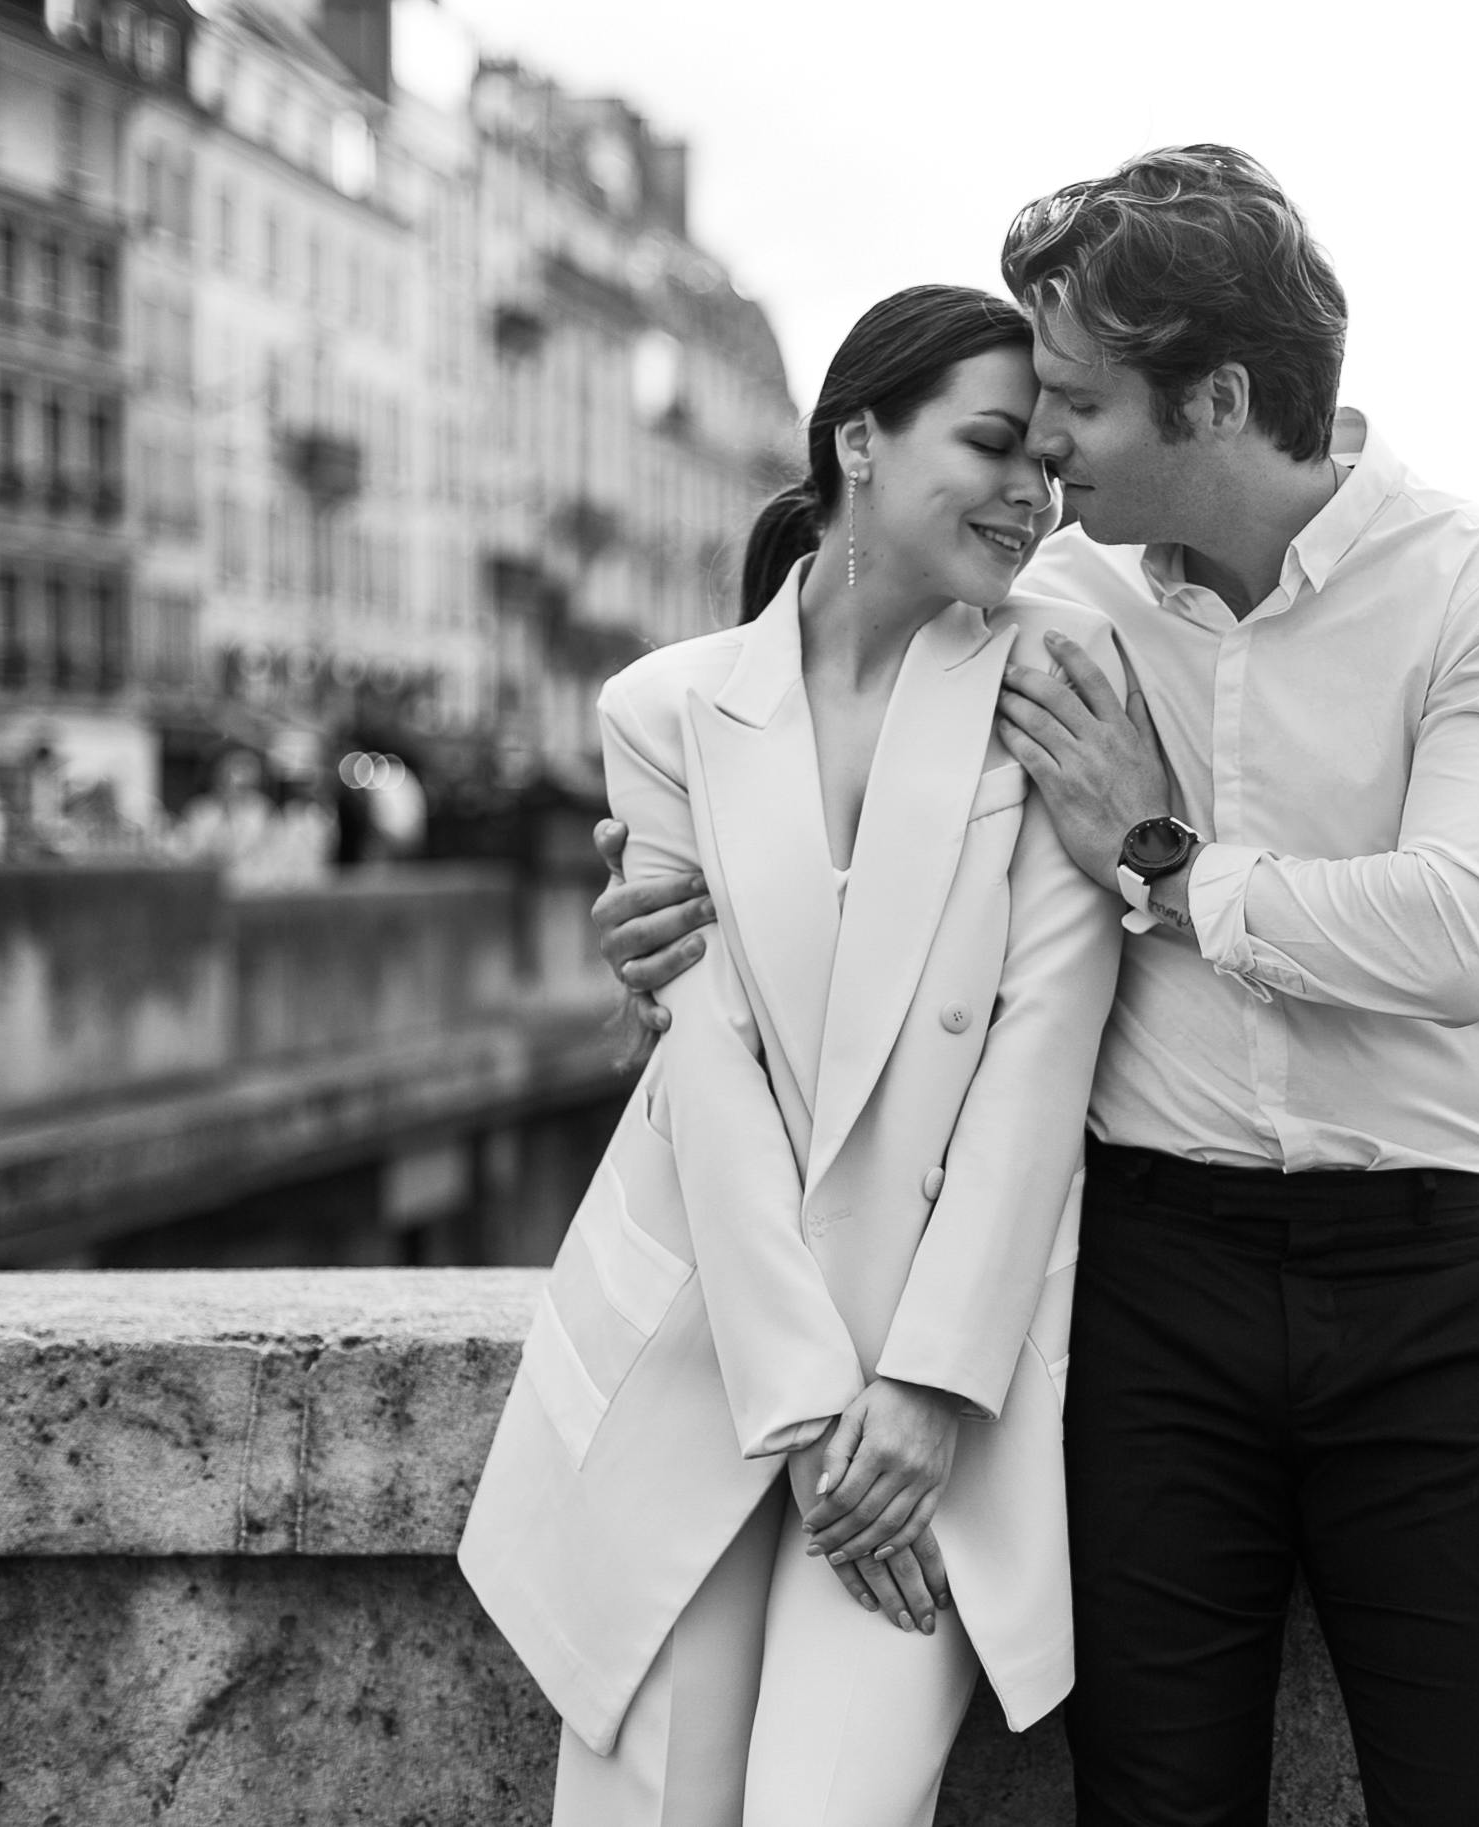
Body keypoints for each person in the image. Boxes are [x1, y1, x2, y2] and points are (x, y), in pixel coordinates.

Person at [594, 148, 1479, 1827]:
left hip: (1434, 1286)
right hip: (1152, 1293)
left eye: (1074, 402)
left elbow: (1474, 931)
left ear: (1217, 400)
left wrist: (1165, 863)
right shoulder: (1048, 600)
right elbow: (814, 790)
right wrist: (657, 903)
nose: (1044, 447)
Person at [461, 284, 1125, 1827]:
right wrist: (809, 1407)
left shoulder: (1056, 672)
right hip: (706, 1348)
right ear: (858, 443)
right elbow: (708, 1071)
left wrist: (927, 1392)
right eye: (992, 446)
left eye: (1047, 463)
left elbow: (1041, 1056)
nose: (1032, 495)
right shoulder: (668, 708)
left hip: (932, 1388)